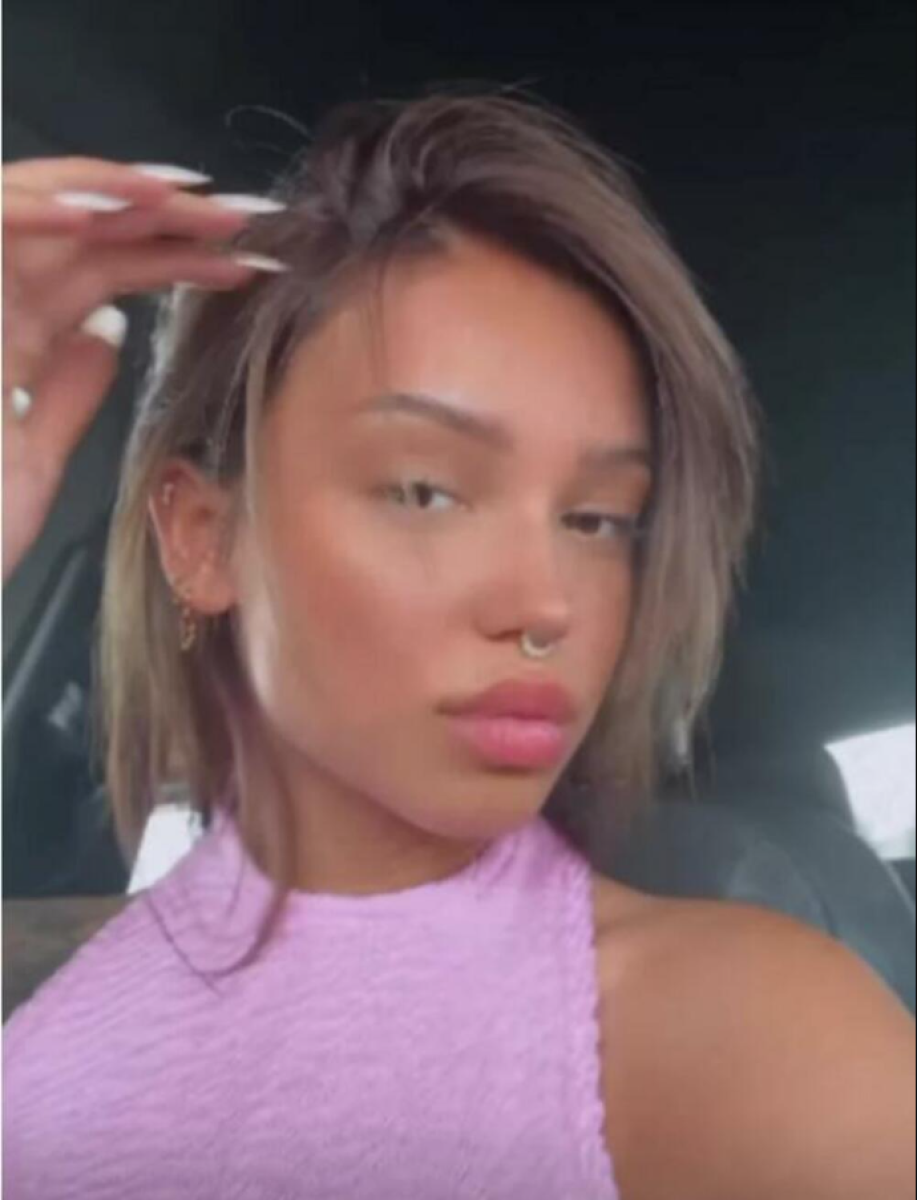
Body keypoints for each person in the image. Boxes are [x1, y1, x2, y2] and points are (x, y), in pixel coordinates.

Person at [2, 89, 914, 1200]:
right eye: (425, 491)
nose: (547, 604)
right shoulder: (43, 1037)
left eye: (598, 520)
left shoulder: (756, 1043)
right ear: (201, 537)